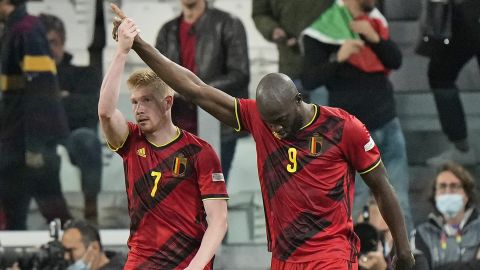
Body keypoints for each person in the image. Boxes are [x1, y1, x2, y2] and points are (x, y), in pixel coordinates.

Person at [110, 5, 415, 270]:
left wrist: (402, 249)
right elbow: (196, 88)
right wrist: (138, 45)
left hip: (331, 254)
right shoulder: (259, 118)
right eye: (271, 124)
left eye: (281, 121)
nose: (277, 129)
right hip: (284, 257)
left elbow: (382, 187)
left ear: (298, 100)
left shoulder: (344, 127)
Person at [98, 18, 228, 269]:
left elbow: (219, 220)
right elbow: (105, 111)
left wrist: (195, 267)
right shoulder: (130, 142)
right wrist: (122, 50)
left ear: (168, 102)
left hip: (187, 263)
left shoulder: (199, 152)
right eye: (135, 102)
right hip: (141, 262)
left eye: (146, 100)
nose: (138, 109)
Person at [301, 0, 413, 233]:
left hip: (387, 122)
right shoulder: (322, 31)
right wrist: (337, 58)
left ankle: (407, 257)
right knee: (355, 200)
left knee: (399, 198)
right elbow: (310, 78)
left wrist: (375, 38)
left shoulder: (375, 23)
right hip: (352, 133)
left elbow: (395, 60)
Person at [155, 0, 250, 180]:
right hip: (177, 126)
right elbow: (156, 76)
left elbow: (240, 74)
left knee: (213, 192)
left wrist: (197, 91)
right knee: (181, 193)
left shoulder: (229, 23)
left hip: (218, 124)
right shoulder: (168, 30)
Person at [0, 0, 71, 230]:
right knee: (16, 216)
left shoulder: (26, 31)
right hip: (17, 142)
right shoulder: (16, 30)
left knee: (53, 214)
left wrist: (35, 147)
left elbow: (41, 90)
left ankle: (82, 258)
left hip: (27, 146)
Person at [38, 13, 103, 225]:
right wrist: (65, 100)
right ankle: (58, 217)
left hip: (73, 133)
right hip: (42, 137)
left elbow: (90, 107)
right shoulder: (29, 77)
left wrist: (52, 102)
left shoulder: (82, 74)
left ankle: (90, 207)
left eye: (52, 43)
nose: (47, 50)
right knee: (41, 155)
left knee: (86, 139)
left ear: (63, 43)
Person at [421, 0, 480, 167]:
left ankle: (462, 148)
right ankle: (461, 147)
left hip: (468, 13)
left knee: (440, 75)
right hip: (467, 13)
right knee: (440, 75)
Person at [252, 0, 333, 101]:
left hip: (332, 63)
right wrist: (272, 29)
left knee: (332, 113)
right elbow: (260, 12)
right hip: (291, 62)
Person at [411, 162, 480, 270]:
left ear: (466, 195)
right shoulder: (421, 234)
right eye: (442, 186)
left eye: (454, 186)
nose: (448, 191)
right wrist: (473, 264)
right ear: (435, 195)